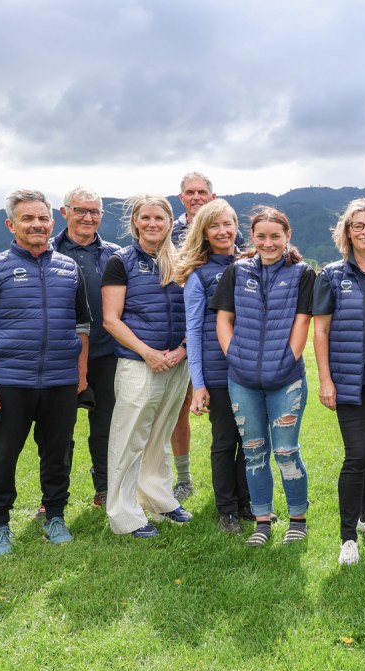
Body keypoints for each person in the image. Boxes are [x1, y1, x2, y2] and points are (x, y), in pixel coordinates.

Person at [0, 189, 90, 555]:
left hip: (60, 381)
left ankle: (55, 515)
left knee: (58, 453)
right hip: (8, 382)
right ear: (11, 224)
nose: (36, 224)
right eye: (27, 218)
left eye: (42, 218)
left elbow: (83, 326)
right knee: (2, 454)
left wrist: (80, 374)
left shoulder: (70, 268)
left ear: (53, 222)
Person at [213, 207, 316, 547]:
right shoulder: (237, 271)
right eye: (261, 236)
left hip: (286, 378)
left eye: (276, 236)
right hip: (242, 378)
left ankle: (297, 519)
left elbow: (302, 321)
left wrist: (288, 359)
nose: (269, 243)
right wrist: (233, 356)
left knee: (286, 451)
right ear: (252, 238)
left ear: (288, 237)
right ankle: (261, 521)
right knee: (254, 451)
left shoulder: (302, 274)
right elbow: (224, 319)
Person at [102, 194, 194, 538]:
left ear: (171, 222)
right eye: (146, 218)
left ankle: (159, 498)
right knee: (130, 438)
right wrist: (147, 352)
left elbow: (195, 312)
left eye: (160, 218)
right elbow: (112, 319)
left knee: (161, 433)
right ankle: (125, 515)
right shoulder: (121, 261)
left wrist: (182, 350)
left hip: (176, 361)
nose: (153, 224)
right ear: (135, 222)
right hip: (139, 363)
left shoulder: (183, 261)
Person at [314, 198, 365, 565]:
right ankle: (348, 537)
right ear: (346, 232)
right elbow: (321, 331)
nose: (364, 231)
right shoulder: (332, 275)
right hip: (351, 383)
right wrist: (326, 381)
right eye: (356, 226)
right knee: (357, 456)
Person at [174, 198, 248, 535]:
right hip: (218, 373)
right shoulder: (199, 276)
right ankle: (227, 510)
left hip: (251, 369)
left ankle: (248, 504)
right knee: (224, 439)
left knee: (252, 439)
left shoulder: (252, 265)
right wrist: (198, 384)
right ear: (203, 233)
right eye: (213, 226)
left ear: (236, 227)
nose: (221, 231)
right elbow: (192, 330)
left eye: (226, 224)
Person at [53, 187, 120, 508]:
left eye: (94, 211)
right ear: (64, 212)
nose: (88, 217)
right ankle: (53, 498)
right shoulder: (47, 252)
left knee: (105, 425)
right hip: (61, 356)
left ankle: (104, 488)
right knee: (59, 429)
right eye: (80, 210)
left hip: (107, 354)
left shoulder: (115, 255)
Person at [169, 171, 216, 500]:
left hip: (215, 331)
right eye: (190, 192)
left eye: (202, 191)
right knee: (178, 406)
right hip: (174, 329)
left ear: (212, 197)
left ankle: (228, 478)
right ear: (181, 198)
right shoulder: (166, 235)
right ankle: (183, 477)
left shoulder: (226, 230)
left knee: (224, 407)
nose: (196, 196)